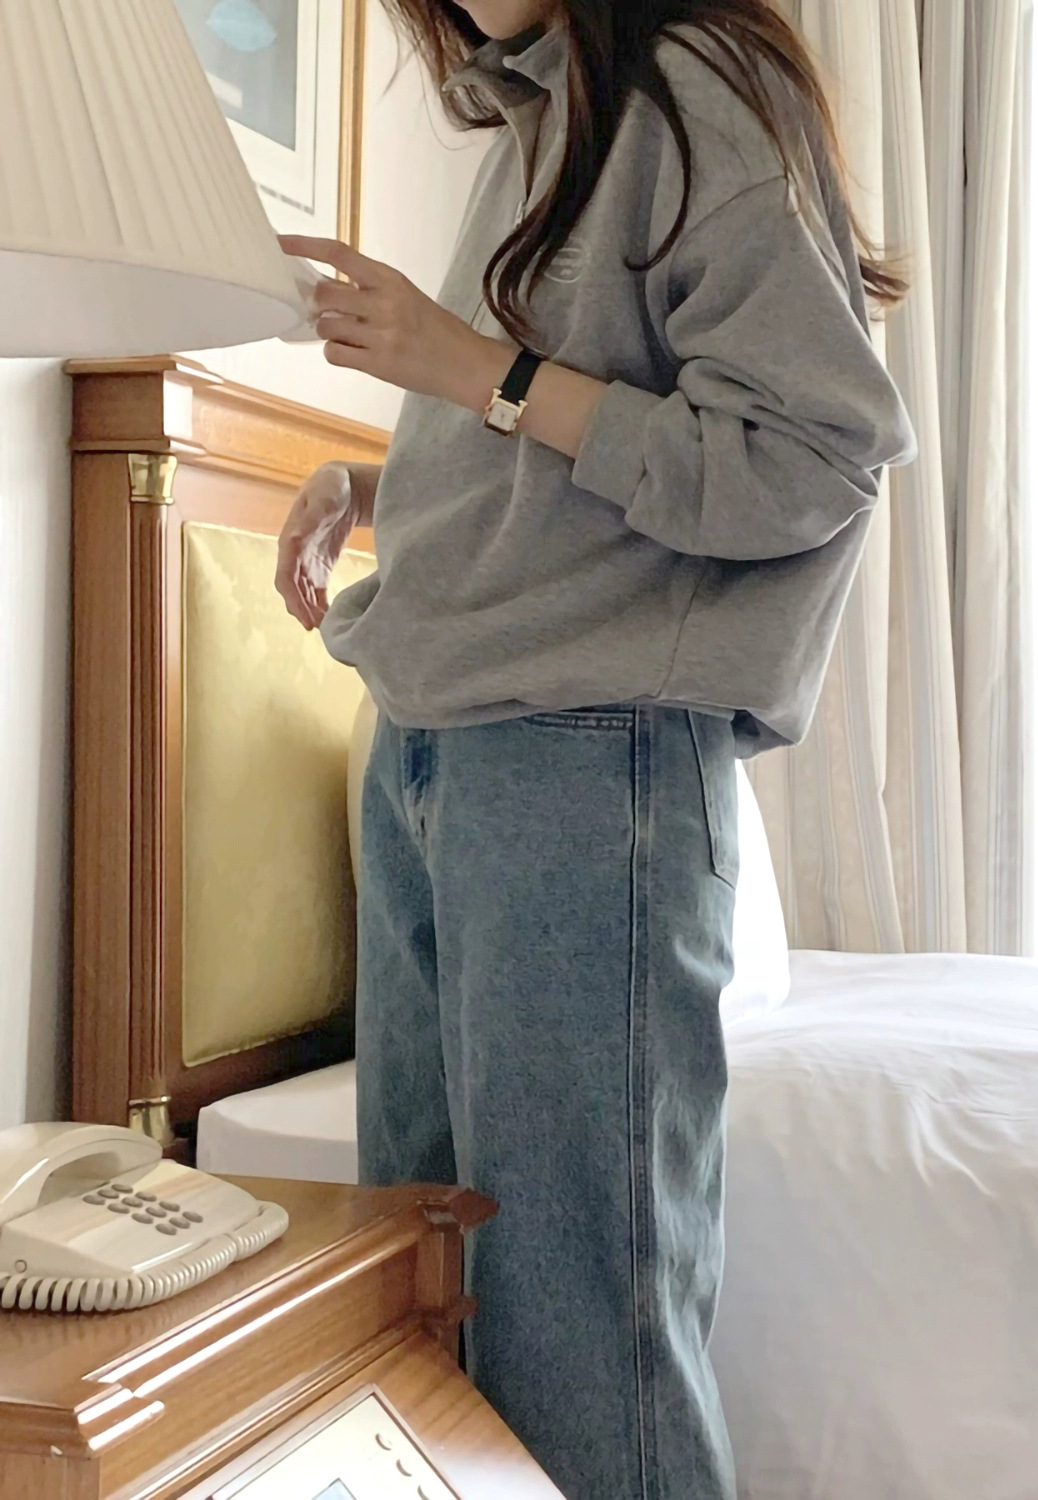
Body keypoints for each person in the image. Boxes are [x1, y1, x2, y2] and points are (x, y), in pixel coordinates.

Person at [276, 3, 915, 1496]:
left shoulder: (693, 84)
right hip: (431, 745)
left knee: (581, 1347)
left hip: (580, 766)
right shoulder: (539, 115)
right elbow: (565, 446)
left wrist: (475, 371)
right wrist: (382, 483)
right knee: (427, 1315)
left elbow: (807, 459)